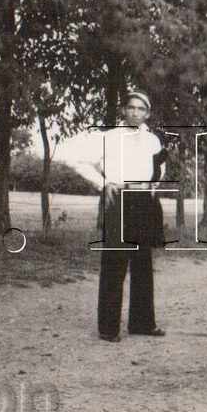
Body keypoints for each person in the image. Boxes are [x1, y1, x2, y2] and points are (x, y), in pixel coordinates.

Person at [72, 91, 167, 343]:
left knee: (143, 263)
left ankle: (142, 323)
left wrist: (153, 187)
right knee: (114, 262)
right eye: (131, 108)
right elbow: (79, 163)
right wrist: (103, 184)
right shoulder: (108, 137)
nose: (135, 112)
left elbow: (160, 167)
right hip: (119, 201)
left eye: (141, 109)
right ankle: (108, 327)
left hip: (143, 202)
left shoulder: (153, 140)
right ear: (124, 110)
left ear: (147, 113)